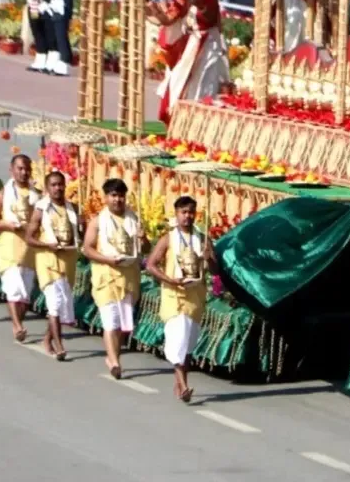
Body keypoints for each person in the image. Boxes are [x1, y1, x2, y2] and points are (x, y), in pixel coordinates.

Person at [146, 196, 214, 403]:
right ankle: (183, 385)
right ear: (176, 214)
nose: (187, 216)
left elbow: (215, 271)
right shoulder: (168, 239)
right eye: (183, 212)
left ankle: (180, 381)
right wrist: (170, 280)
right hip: (174, 296)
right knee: (178, 340)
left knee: (188, 344)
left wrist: (209, 257)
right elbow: (151, 265)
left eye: (191, 212)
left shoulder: (203, 239)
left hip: (195, 297)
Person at [150, 0, 229, 121]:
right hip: (192, 47)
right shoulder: (184, 0)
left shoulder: (209, 0)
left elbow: (210, 20)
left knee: (205, 85)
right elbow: (169, 19)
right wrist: (153, 11)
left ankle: (202, 121)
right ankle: (183, 119)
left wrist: (200, 6)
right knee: (180, 83)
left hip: (208, 48)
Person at [83, 178, 143, 379]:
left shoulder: (133, 218)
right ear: (106, 198)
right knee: (111, 322)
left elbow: (143, 250)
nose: (118, 200)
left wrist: (144, 240)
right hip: (106, 277)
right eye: (113, 196)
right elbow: (88, 249)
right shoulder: (98, 221)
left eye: (121, 196)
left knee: (124, 326)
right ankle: (115, 361)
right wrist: (107, 259)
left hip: (128, 278)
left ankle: (112, 357)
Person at [24, 171, 80, 360]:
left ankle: (47, 339)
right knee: (54, 305)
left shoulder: (73, 209)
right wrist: (47, 245)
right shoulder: (41, 209)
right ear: (47, 189)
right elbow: (30, 238)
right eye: (54, 185)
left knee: (62, 306)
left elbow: (79, 234)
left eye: (60, 184)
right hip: (48, 262)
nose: (58, 188)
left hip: (67, 262)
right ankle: (59, 344)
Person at [0, 154, 39, 342]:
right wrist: (9, 225)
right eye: (20, 168)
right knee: (12, 289)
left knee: (25, 294)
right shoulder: (4, 194)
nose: (24, 172)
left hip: (29, 250)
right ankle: (17, 325)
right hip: (9, 247)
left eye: (27, 169)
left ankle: (19, 321)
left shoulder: (36, 196)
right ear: (11, 170)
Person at [43, 0, 73, 76]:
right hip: (55, 13)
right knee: (58, 38)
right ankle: (61, 61)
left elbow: (68, 2)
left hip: (62, 14)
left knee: (62, 39)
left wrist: (68, 16)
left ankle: (65, 61)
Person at [26, 0, 51, 72]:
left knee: (38, 33)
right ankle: (41, 58)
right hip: (35, 7)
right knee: (38, 34)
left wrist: (35, 11)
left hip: (35, 8)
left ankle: (41, 60)